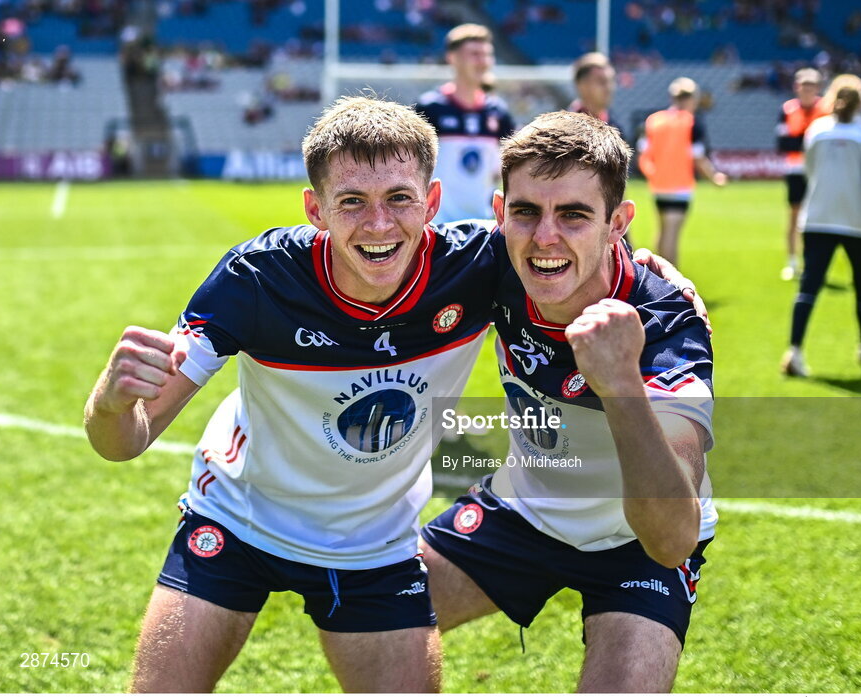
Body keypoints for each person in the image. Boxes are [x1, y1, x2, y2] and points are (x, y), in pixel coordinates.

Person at [83, 96, 699, 693]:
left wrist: (634, 335)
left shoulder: (521, 277)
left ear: (431, 202)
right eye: (352, 201)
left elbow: (671, 537)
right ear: (315, 209)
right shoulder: (261, 278)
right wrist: (110, 403)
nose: (379, 225)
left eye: (399, 199)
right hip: (244, 518)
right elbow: (125, 440)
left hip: (398, 546)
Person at [421, 111, 716, 692]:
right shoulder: (487, 261)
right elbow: (364, 254)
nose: (545, 237)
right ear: (501, 210)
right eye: (527, 211)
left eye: (575, 215)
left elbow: (671, 538)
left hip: (637, 546)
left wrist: (621, 387)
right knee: (372, 615)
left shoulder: (665, 317)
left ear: (618, 223)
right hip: (523, 510)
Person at [781, 75, 861, 378]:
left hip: (817, 216)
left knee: (809, 285)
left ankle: (795, 350)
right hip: (858, 220)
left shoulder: (817, 130)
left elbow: (809, 170)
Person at [415, 24, 515, 224]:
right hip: (438, 223)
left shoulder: (498, 111)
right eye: (475, 54)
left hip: (483, 224)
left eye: (487, 55)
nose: (483, 62)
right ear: (452, 58)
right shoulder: (430, 108)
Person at [638, 76, 728, 266]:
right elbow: (698, 157)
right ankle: (670, 284)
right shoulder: (691, 122)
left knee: (662, 231)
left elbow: (644, 154)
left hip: (658, 185)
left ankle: (654, 278)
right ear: (693, 98)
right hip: (679, 187)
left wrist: (652, 174)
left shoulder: (655, 120)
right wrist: (714, 178)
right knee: (672, 234)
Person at [776, 67, 829, 280]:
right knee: (795, 216)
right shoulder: (787, 109)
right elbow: (783, 144)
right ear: (796, 87)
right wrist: (808, 140)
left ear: (818, 88)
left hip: (820, 170)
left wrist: (798, 140)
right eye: (803, 86)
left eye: (811, 87)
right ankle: (792, 261)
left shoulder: (827, 108)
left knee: (819, 218)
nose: (807, 91)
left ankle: (814, 263)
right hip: (796, 169)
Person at [568, 52, 621, 133]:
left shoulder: (616, 127)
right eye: (601, 81)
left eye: (611, 81)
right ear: (582, 85)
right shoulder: (567, 127)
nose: (609, 87)